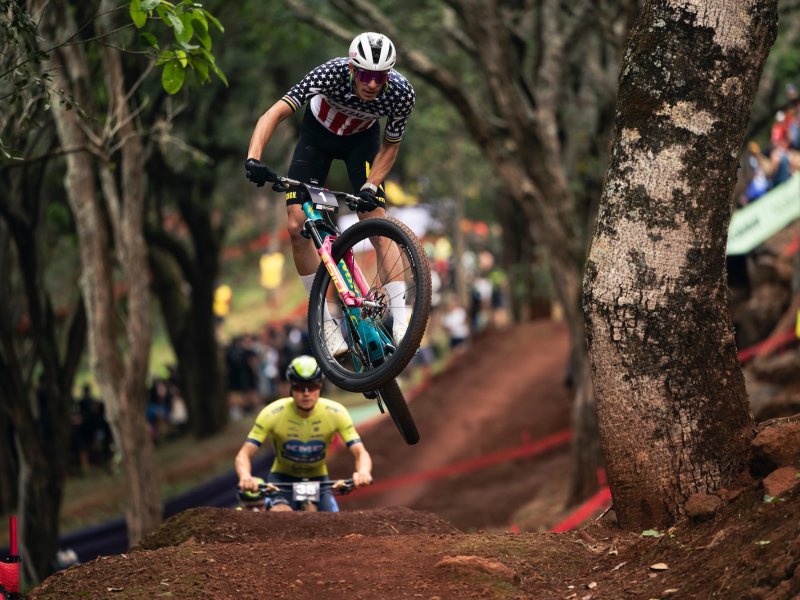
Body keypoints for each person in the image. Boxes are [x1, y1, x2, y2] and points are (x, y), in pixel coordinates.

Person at [244, 32, 415, 356]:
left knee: (376, 220)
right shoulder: (329, 73)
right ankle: (324, 322)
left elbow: (391, 146)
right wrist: (254, 157)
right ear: (352, 68)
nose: (373, 85)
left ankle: (403, 320)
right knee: (296, 226)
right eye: (365, 75)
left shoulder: (401, 93)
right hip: (317, 139)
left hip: (361, 144)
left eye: (380, 77)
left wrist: (370, 186)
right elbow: (275, 113)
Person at [234, 355, 373, 511]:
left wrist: (363, 472)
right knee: (281, 515)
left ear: (320, 386)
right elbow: (244, 455)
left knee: (331, 523)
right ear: (291, 388)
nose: (306, 393)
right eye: (300, 387)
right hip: (282, 480)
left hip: (318, 480)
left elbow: (360, 452)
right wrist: (245, 477)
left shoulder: (336, 412)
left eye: (312, 386)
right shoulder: (271, 413)